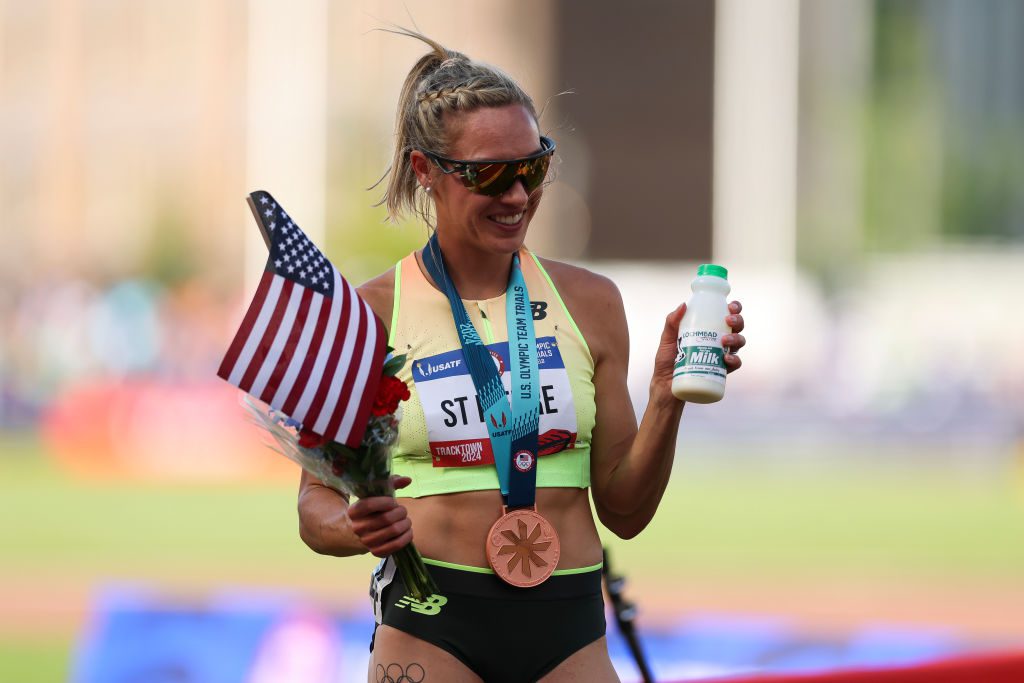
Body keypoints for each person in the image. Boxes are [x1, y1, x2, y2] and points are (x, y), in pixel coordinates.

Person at [297, 31, 746, 683]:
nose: (516, 195)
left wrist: (665, 397)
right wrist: (354, 524)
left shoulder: (590, 302)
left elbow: (624, 508)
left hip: (567, 625)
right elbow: (314, 506)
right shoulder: (370, 314)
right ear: (426, 172)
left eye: (532, 167)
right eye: (489, 175)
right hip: (431, 621)